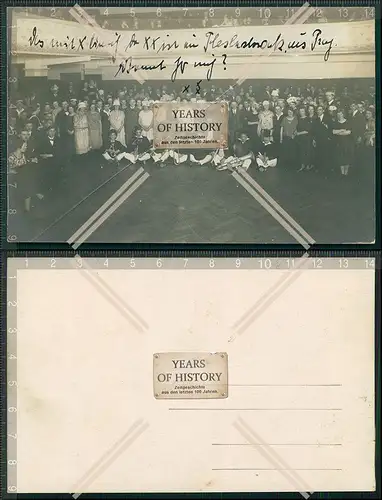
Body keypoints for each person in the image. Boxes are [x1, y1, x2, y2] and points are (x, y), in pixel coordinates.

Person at [332, 109, 353, 176]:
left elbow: (348, 132)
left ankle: (346, 173)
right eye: (338, 114)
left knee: (346, 157)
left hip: (347, 143)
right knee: (340, 157)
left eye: (340, 114)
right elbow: (333, 132)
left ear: (343, 114)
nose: (339, 115)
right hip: (339, 143)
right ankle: (342, 173)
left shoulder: (348, 122)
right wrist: (341, 130)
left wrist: (338, 132)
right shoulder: (336, 122)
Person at [296, 107, 313, 171]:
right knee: (301, 152)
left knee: (307, 152)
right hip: (300, 139)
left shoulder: (308, 119)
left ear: (305, 111)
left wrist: (299, 133)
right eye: (300, 111)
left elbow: (308, 130)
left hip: (307, 138)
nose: (301, 112)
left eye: (302, 111)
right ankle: (302, 166)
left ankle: (308, 166)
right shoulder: (299, 119)